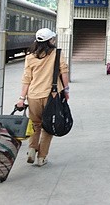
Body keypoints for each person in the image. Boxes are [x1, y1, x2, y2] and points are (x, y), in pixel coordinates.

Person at [16, 27, 70, 167]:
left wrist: (22, 98)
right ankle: (42, 157)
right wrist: (66, 90)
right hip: (51, 96)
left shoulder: (30, 57)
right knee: (48, 126)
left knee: (35, 124)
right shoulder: (57, 54)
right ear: (50, 41)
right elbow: (64, 73)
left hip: (33, 96)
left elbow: (26, 79)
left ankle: (32, 149)